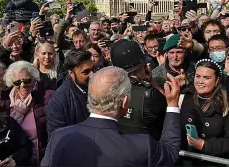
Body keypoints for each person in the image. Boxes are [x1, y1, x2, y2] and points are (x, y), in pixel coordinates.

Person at [41, 66, 181, 167]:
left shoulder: (58, 137)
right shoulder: (143, 146)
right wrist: (173, 104)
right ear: (125, 101)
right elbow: (171, 152)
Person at [180, 59, 229, 161]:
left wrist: (205, 145)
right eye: (198, 76)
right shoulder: (185, 98)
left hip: (214, 161)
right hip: (188, 160)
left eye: (206, 78)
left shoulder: (226, 104)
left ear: (217, 80)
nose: (200, 81)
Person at [110, 39, 168, 140]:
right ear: (140, 68)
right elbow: (169, 110)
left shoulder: (106, 91)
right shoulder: (151, 95)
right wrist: (153, 82)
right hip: (147, 150)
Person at [4, 61, 54, 165]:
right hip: (19, 160)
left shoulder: (47, 97)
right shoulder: (7, 103)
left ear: (34, 79)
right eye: (17, 82)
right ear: (11, 83)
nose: (23, 85)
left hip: (43, 158)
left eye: (27, 80)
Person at [46, 50, 94, 136]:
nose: (92, 75)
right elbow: (57, 139)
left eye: (93, 69)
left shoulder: (101, 88)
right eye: (86, 72)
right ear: (71, 73)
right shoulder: (58, 102)